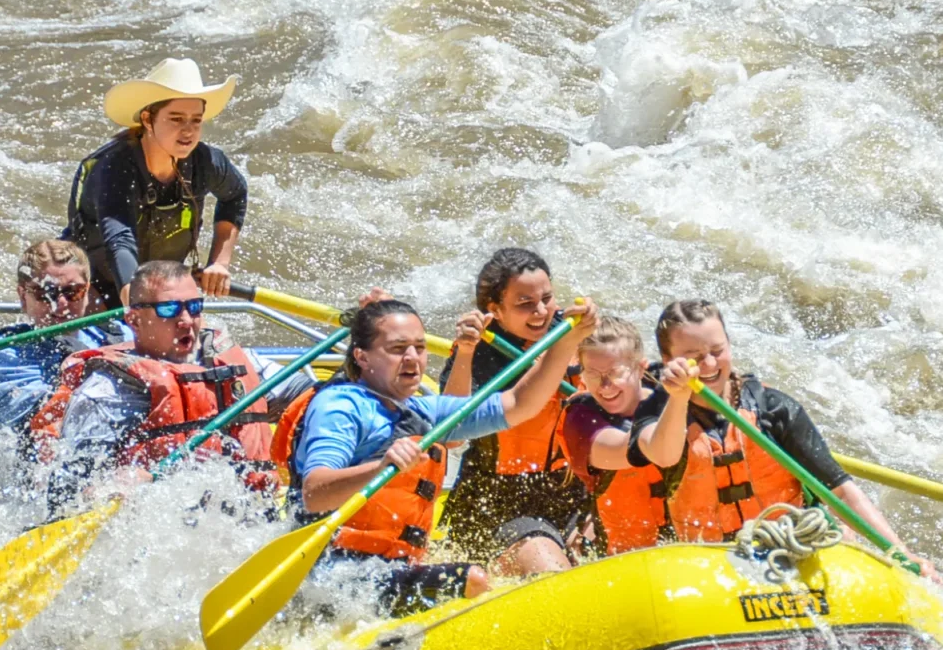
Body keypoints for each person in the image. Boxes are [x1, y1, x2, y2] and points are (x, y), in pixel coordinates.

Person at [273, 295, 598, 617]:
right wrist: (381, 467)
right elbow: (314, 493)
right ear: (362, 357)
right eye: (398, 349)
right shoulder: (341, 407)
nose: (413, 358)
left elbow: (519, 404)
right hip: (331, 573)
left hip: (387, 569)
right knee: (473, 580)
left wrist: (567, 341)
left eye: (419, 347)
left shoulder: (422, 410)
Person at [633, 300, 937, 579]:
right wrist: (679, 397)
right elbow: (664, 455)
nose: (710, 365)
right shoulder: (655, 411)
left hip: (787, 547)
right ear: (668, 359)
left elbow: (841, 492)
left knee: (844, 536)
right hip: (708, 562)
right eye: (694, 357)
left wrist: (899, 554)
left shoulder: (774, 408)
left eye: (717, 350)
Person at [34, 261, 311, 514]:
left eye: (194, 307)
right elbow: (67, 493)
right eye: (169, 309)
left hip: (249, 519)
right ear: (134, 320)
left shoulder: (242, 361)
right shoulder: (107, 391)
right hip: (157, 531)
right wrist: (110, 489)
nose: (186, 320)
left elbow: (315, 399)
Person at [436, 248, 591, 573]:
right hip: (499, 502)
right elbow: (449, 436)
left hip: (571, 491)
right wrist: (464, 352)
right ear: (496, 309)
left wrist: (591, 328)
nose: (540, 311)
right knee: (553, 574)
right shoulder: (479, 351)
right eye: (525, 304)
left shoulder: (571, 331)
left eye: (546, 299)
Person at [63, 57, 249, 309]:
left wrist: (219, 263)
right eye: (176, 119)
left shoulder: (207, 162)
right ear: (148, 119)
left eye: (196, 120)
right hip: (94, 283)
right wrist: (137, 304)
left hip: (155, 285)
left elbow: (235, 194)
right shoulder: (114, 167)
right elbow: (120, 241)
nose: (188, 131)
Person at [0, 239, 127, 455]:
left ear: (87, 291)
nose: (61, 304)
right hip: (36, 475)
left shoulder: (122, 337)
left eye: (73, 292)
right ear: (23, 297)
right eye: (45, 293)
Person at [556, 316, 694, 556]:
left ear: (640, 369)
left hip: (695, 546)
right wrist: (680, 400)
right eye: (593, 374)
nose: (605, 386)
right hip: (622, 558)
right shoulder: (578, 420)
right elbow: (639, 450)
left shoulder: (671, 396)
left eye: (614, 373)